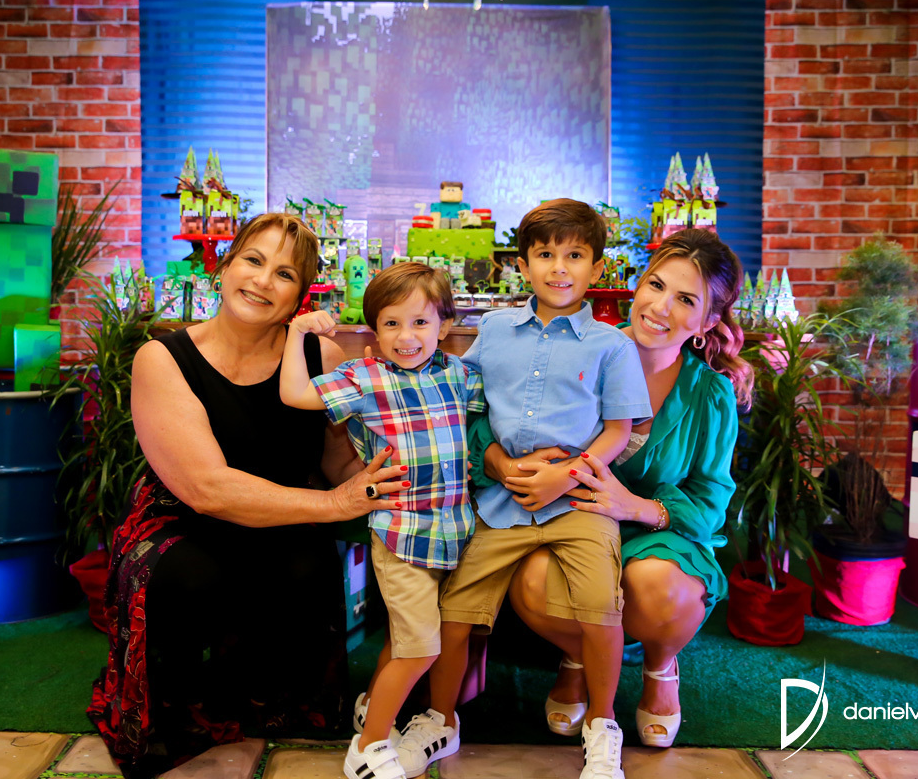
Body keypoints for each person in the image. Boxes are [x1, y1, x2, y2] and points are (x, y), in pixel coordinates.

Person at [88, 213, 407, 779]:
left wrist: (396, 472)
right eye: (253, 261)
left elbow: (336, 462)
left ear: (300, 295)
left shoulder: (321, 358)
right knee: (190, 578)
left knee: (308, 567)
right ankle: (179, 706)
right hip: (180, 518)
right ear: (225, 266)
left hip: (283, 513)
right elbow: (207, 489)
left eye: (284, 273)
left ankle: (267, 698)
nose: (262, 281)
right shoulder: (162, 358)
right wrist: (334, 505)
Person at [397, 199, 652, 779]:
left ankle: (602, 725)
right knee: (454, 608)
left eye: (575, 255)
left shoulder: (612, 346)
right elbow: (469, 405)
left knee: (600, 607)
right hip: (500, 501)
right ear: (523, 264)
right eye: (545, 255)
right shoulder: (494, 330)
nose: (559, 268)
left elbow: (619, 429)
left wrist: (569, 473)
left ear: (596, 267)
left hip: (578, 500)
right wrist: (493, 461)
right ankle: (440, 719)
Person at [488, 227, 753, 750]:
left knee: (655, 586)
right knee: (535, 583)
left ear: (708, 322)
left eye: (686, 300)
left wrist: (636, 506)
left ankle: (660, 665)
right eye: (656, 285)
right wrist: (502, 463)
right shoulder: (577, 348)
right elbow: (493, 415)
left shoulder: (711, 394)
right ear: (637, 284)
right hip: (569, 525)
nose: (660, 307)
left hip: (656, 537)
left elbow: (711, 504)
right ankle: (579, 654)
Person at [279, 261, 486, 779]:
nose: (406, 336)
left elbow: (484, 434)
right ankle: (367, 748)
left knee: (409, 638)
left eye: (420, 322)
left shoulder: (462, 374)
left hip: (457, 532)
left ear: (445, 326)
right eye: (391, 323)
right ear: (374, 330)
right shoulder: (364, 377)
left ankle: (374, 706)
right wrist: (297, 333)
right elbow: (294, 395)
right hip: (401, 534)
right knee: (419, 648)